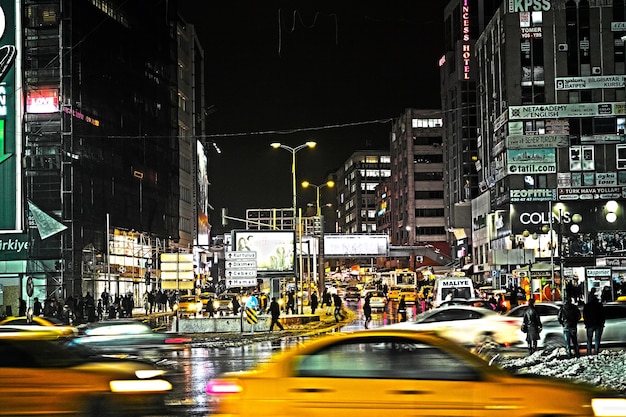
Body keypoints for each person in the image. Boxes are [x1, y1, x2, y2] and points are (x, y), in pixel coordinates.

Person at [583, 288, 606, 355]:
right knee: (597, 339)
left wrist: (586, 323)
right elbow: (603, 315)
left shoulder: (587, 306)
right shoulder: (599, 305)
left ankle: (589, 351)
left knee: (589, 339)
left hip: (590, 325)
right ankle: (596, 351)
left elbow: (585, 316)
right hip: (598, 324)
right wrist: (602, 323)